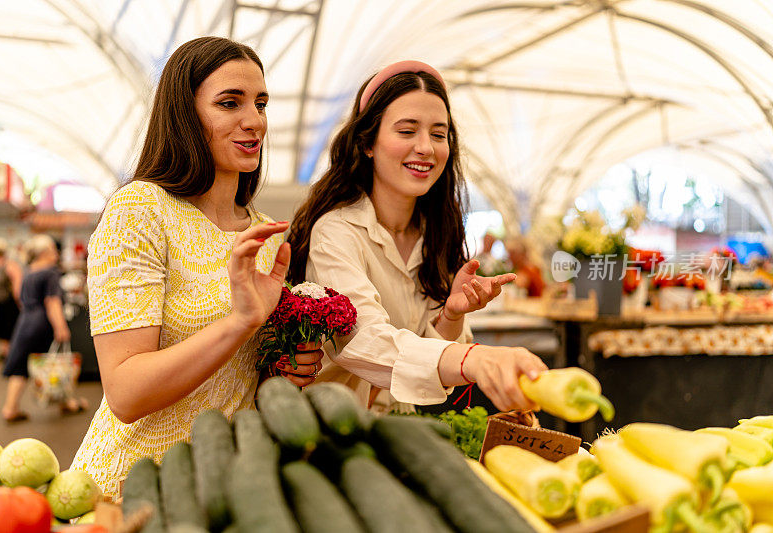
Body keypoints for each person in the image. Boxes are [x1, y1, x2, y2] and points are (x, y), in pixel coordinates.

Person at [69, 37, 322, 499]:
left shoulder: (267, 235)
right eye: (230, 103)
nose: (255, 122)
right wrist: (242, 322)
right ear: (185, 115)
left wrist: (284, 369)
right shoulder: (141, 209)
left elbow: (241, 382)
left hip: (226, 487)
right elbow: (125, 393)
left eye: (261, 103)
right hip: (133, 489)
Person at [288, 60, 547, 413]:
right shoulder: (336, 232)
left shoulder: (436, 233)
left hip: (399, 427)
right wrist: (473, 358)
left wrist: (452, 316)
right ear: (367, 143)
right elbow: (361, 339)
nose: (426, 147)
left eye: (438, 135)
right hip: (328, 433)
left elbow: (421, 368)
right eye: (407, 131)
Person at [1, 234, 75, 422]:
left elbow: (19, 295)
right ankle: (66, 402)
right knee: (55, 360)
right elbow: (52, 302)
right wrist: (61, 327)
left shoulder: (29, 271)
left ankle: (10, 407)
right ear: (44, 252)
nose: (55, 253)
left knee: (20, 363)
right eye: (52, 249)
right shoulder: (50, 273)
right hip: (43, 322)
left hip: (25, 320)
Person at [0, 237, 22, 358]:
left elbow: (17, 284)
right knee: (2, 330)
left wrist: (19, 300)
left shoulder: (10, 265)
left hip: (10, 302)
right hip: (0, 302)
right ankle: (5, 352)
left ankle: (12, 353)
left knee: (11, 328)